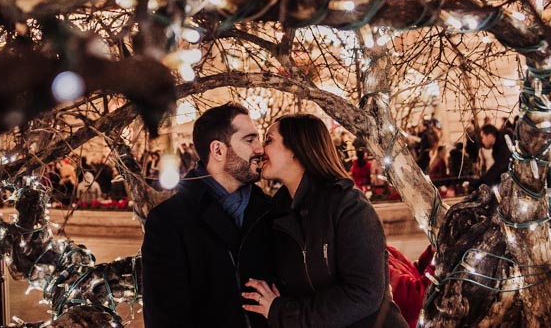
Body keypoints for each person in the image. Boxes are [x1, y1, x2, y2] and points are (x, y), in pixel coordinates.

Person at [243, 114, 408, 328]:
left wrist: (287, 314)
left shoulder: (349, 207)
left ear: (296, 148)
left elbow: (363, 293)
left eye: (269, 140)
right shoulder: (275, 214)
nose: (260, 150)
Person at [141, 104, 274, 328]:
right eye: (250, 140)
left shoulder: (271, 211)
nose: (260, 149)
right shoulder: (169, 220)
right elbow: (164, 316)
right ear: (218, 150)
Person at [469, 124, 511, 192]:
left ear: (490, 136)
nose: (482, 141)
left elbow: (500, 167)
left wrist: (482, 181)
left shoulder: (504, 144)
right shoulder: (498, 147)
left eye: (483, 137)